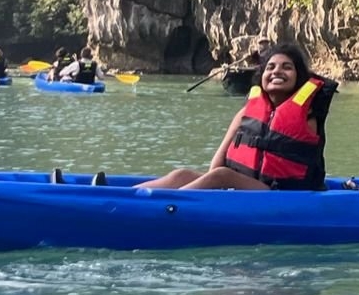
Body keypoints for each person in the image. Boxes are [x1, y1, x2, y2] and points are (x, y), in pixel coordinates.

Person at [139, 45, 337, 191]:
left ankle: (166, 207)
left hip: (283, 192)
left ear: (298, 77)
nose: (277, 71)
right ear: (261, 77)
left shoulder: (311, 115)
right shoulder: (246, 113)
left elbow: (220, 174)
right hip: (244, 187)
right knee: (181, 175)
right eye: (270, 67)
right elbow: (216, 165)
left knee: (222, 176)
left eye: (287, 67)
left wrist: (221, 180)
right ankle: (120, 193)